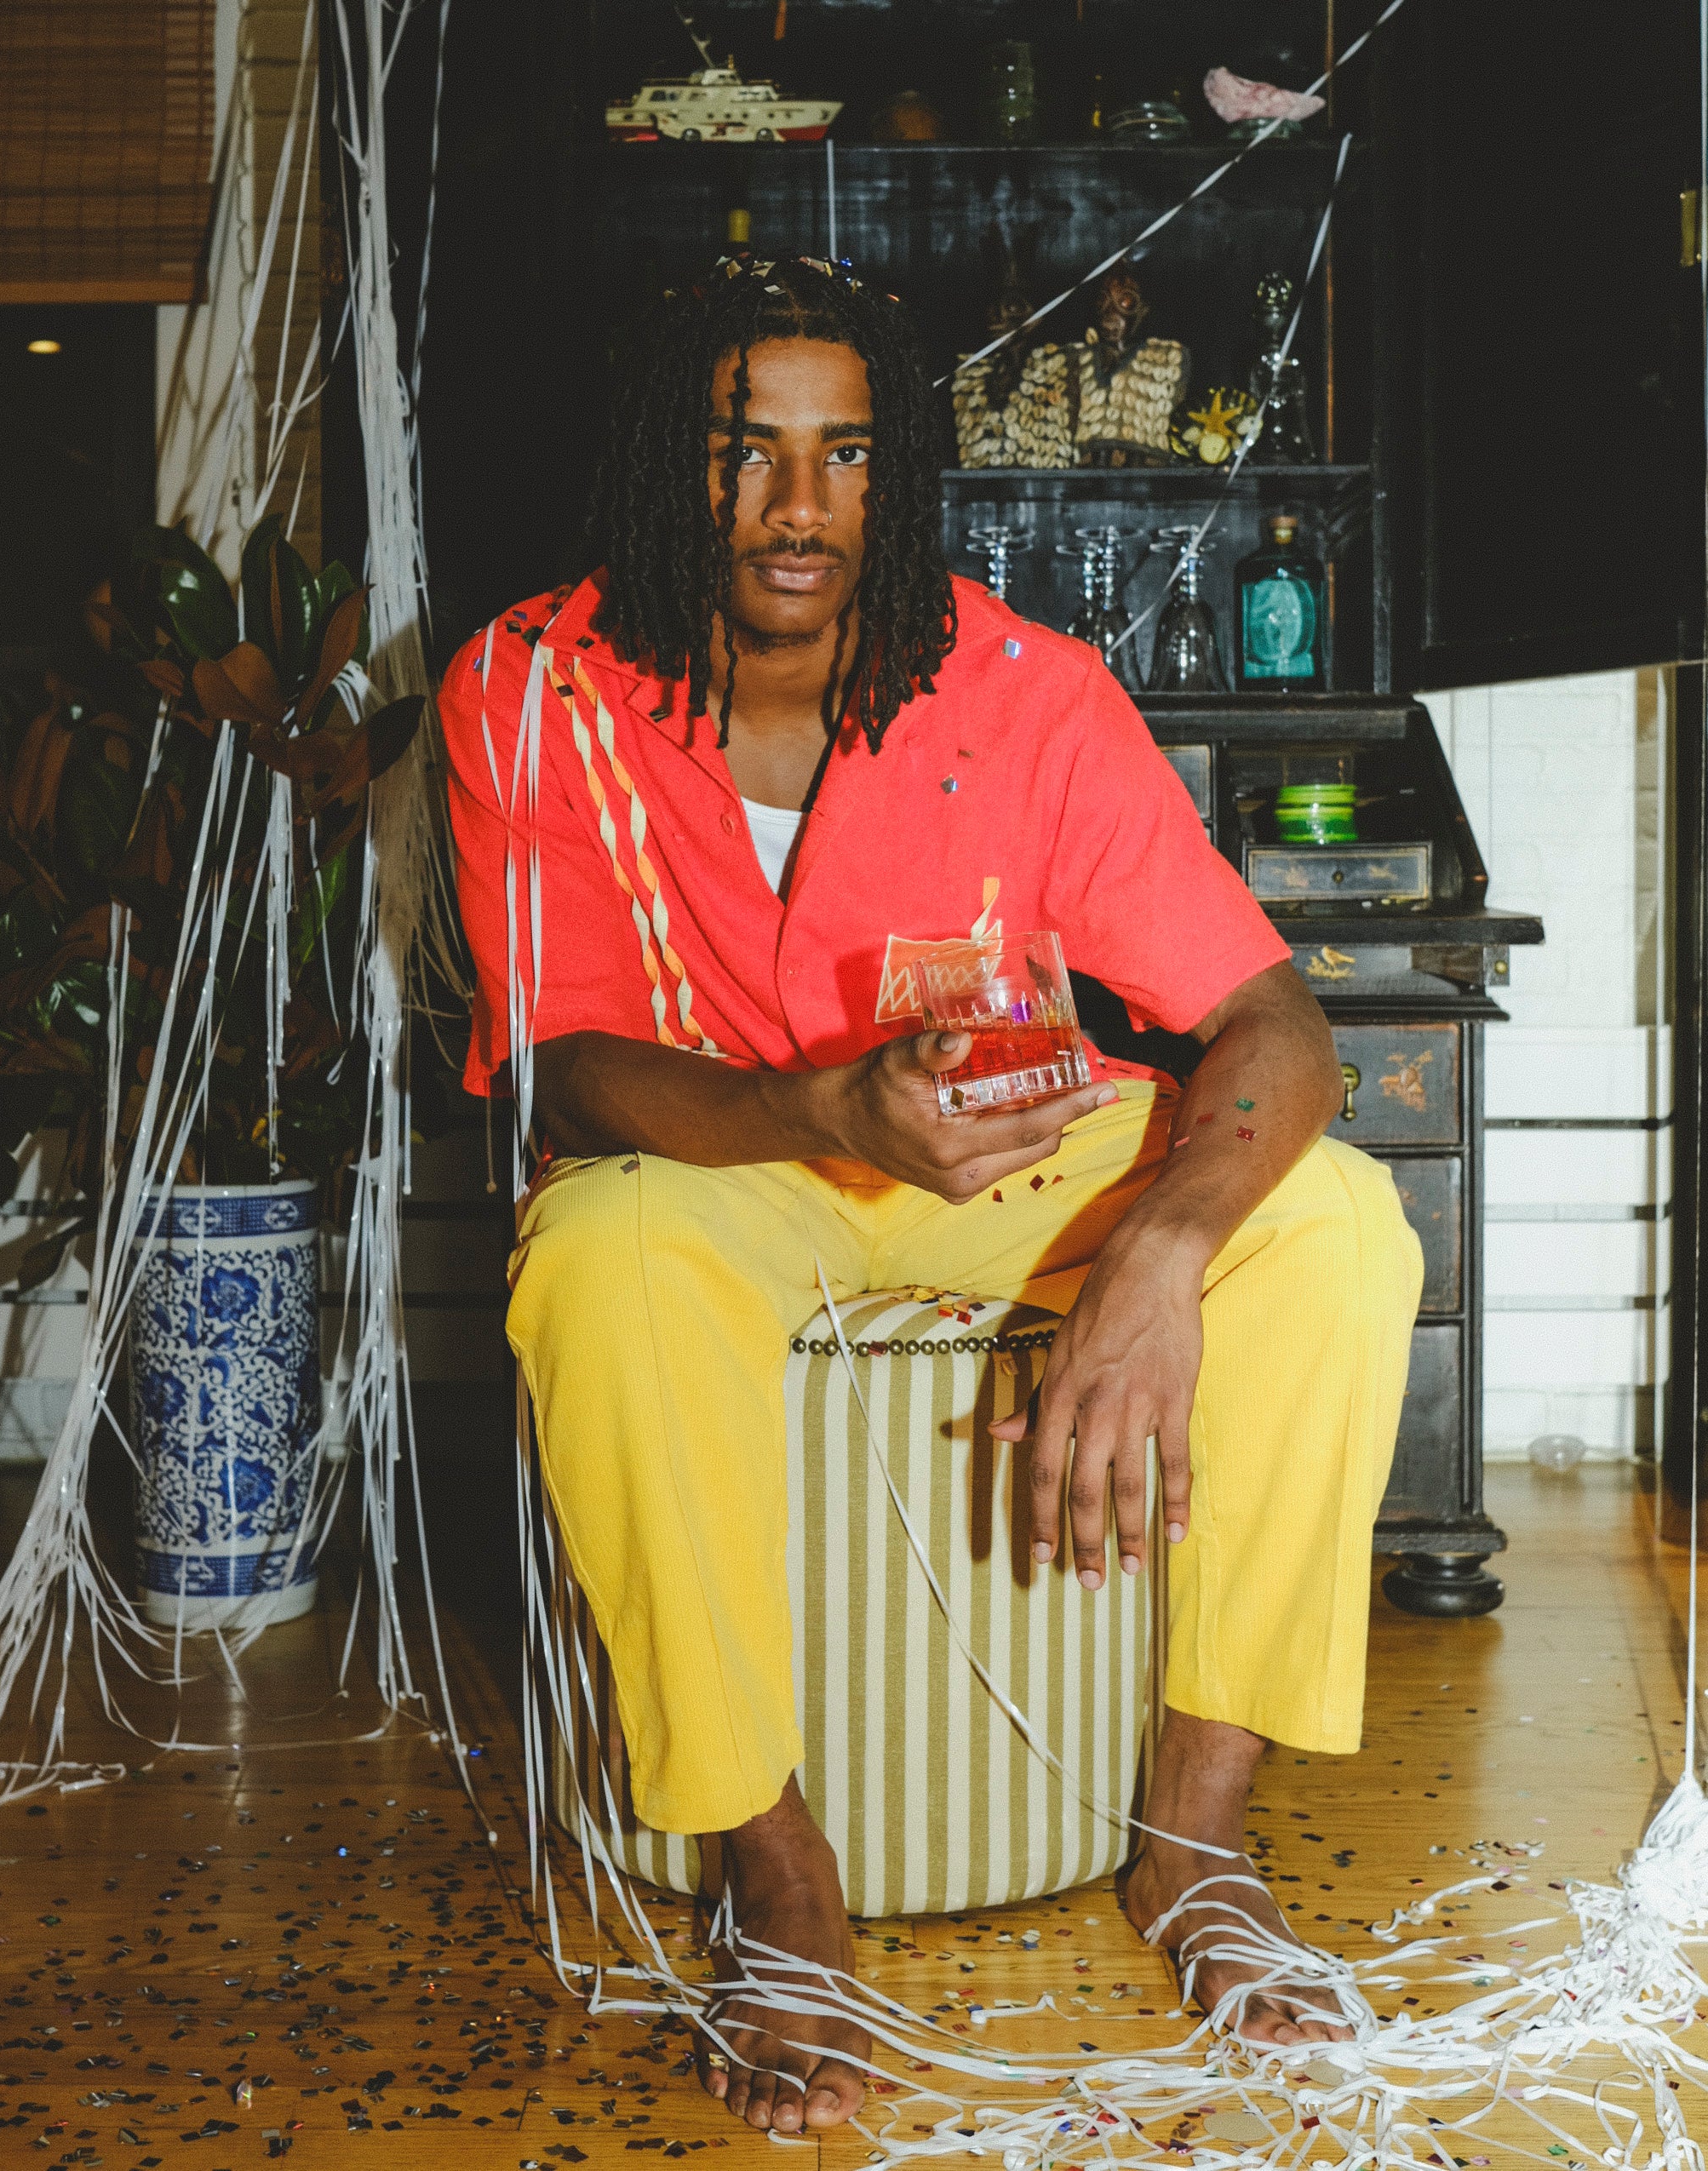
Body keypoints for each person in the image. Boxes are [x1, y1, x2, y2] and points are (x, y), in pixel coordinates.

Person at [439, 255, 1422, 2138]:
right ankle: (776, 1872)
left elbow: (1273, 1025)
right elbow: (560, 1058)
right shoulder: (527, 689)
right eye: (751, 453)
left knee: (1340, 1225)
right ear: (674, 464)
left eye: (848, 455)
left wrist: (1158, 1246)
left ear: (899, 480)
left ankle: (1195, 1844)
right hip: (734, 1158)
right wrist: (817, 1104)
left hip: (1008, 1167)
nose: (801, 504)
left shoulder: (1029, 693)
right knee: (603, 1251)